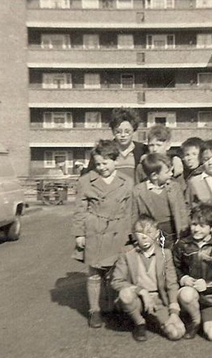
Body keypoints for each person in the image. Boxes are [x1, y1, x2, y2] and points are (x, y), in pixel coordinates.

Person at [71, 140, 134, 328]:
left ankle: (113, 307)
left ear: (115, 161)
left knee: (116, 272)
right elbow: (80, 209)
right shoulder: (85, 181)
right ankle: (94, 310)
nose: (101, 167)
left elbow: (131, 211)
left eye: (105, 163)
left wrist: (131, 235)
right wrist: (79, 234)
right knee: (94, 272)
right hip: (94, 230)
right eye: (98, 164)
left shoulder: (126, 182)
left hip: (118, 230)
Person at [111, 214, 185, 342]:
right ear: (134, 234)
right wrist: (141, 291)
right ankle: (139, 323)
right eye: (140, 233)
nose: (144, 237)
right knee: (125, 294)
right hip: (137, 299)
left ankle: (154, 318)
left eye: (149, 232)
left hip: (158, 299)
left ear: (157, 234)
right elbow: (116, 281)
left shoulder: (165, 254)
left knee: (177, 333)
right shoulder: (127, 253)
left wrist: (174, 312)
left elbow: (172, 284)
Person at [173, 203, 212, 341]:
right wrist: (183, 278)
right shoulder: (182, 244)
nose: (196, 229)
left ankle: (207, 316)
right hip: (190, 294)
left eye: (202, 226)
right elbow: (174, 267)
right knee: (186, 294)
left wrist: (208, 285)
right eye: (194, 224)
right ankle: (195, 321)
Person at [131, 153, 189, 249]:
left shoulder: (174, 187)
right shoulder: (138, 191)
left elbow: (182, 212)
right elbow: (134, 216)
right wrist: (136, 238)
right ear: (154, 175)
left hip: (173, 231)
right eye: (167, 172)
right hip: (152, 233)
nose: (171, 174)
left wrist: (184, 234)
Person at [86, 108, 147, 183]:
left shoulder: (143, 150)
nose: (123, 135)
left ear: (134, 131)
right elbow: (90, 175)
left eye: (127, 132)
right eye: (118, 132)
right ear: (113, 131)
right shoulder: (103, 149)